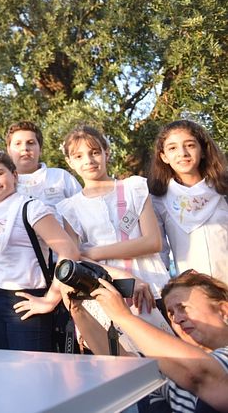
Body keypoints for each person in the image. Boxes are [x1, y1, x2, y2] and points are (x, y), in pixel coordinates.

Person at [56, 125, 170, 318]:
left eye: (94, 152)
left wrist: (93, 252)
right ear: (69, 162)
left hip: (151, 283)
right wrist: (123, 275)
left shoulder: (134, 188)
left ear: (106, 153)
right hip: (103, 291)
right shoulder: (70, 208)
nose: (89, 161)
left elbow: (153, 242)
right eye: (79, 156)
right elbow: (74, 257)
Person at [81, 270, 228, 412]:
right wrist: (76, 308)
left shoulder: (198, 366)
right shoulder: (174, 364)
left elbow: (201, 374)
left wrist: (123, 316)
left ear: (223, 310)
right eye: (171, 314)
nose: (177, 319)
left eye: (183, 307)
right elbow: (123, 360)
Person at [0, 152, 80, 352]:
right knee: (3, 373)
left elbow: (69, 252)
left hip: (28, 300)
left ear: (14, 175)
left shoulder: (31, 208)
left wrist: (51, 300)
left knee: (32, 376)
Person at [148, 120, 228, 284]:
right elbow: (161, 250)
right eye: (172, 148)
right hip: (193, 290)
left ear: (203, 151)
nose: (182, 153)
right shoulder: (158, 199)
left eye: (190, 145)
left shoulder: (223, 189)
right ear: (163, 156)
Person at [6, 121, 81, 207]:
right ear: (9, 150)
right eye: (18, 144)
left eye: (30, 143)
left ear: (40, 149)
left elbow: (83, 209)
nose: (25, 148)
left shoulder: (61, 177)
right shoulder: (4, 184)